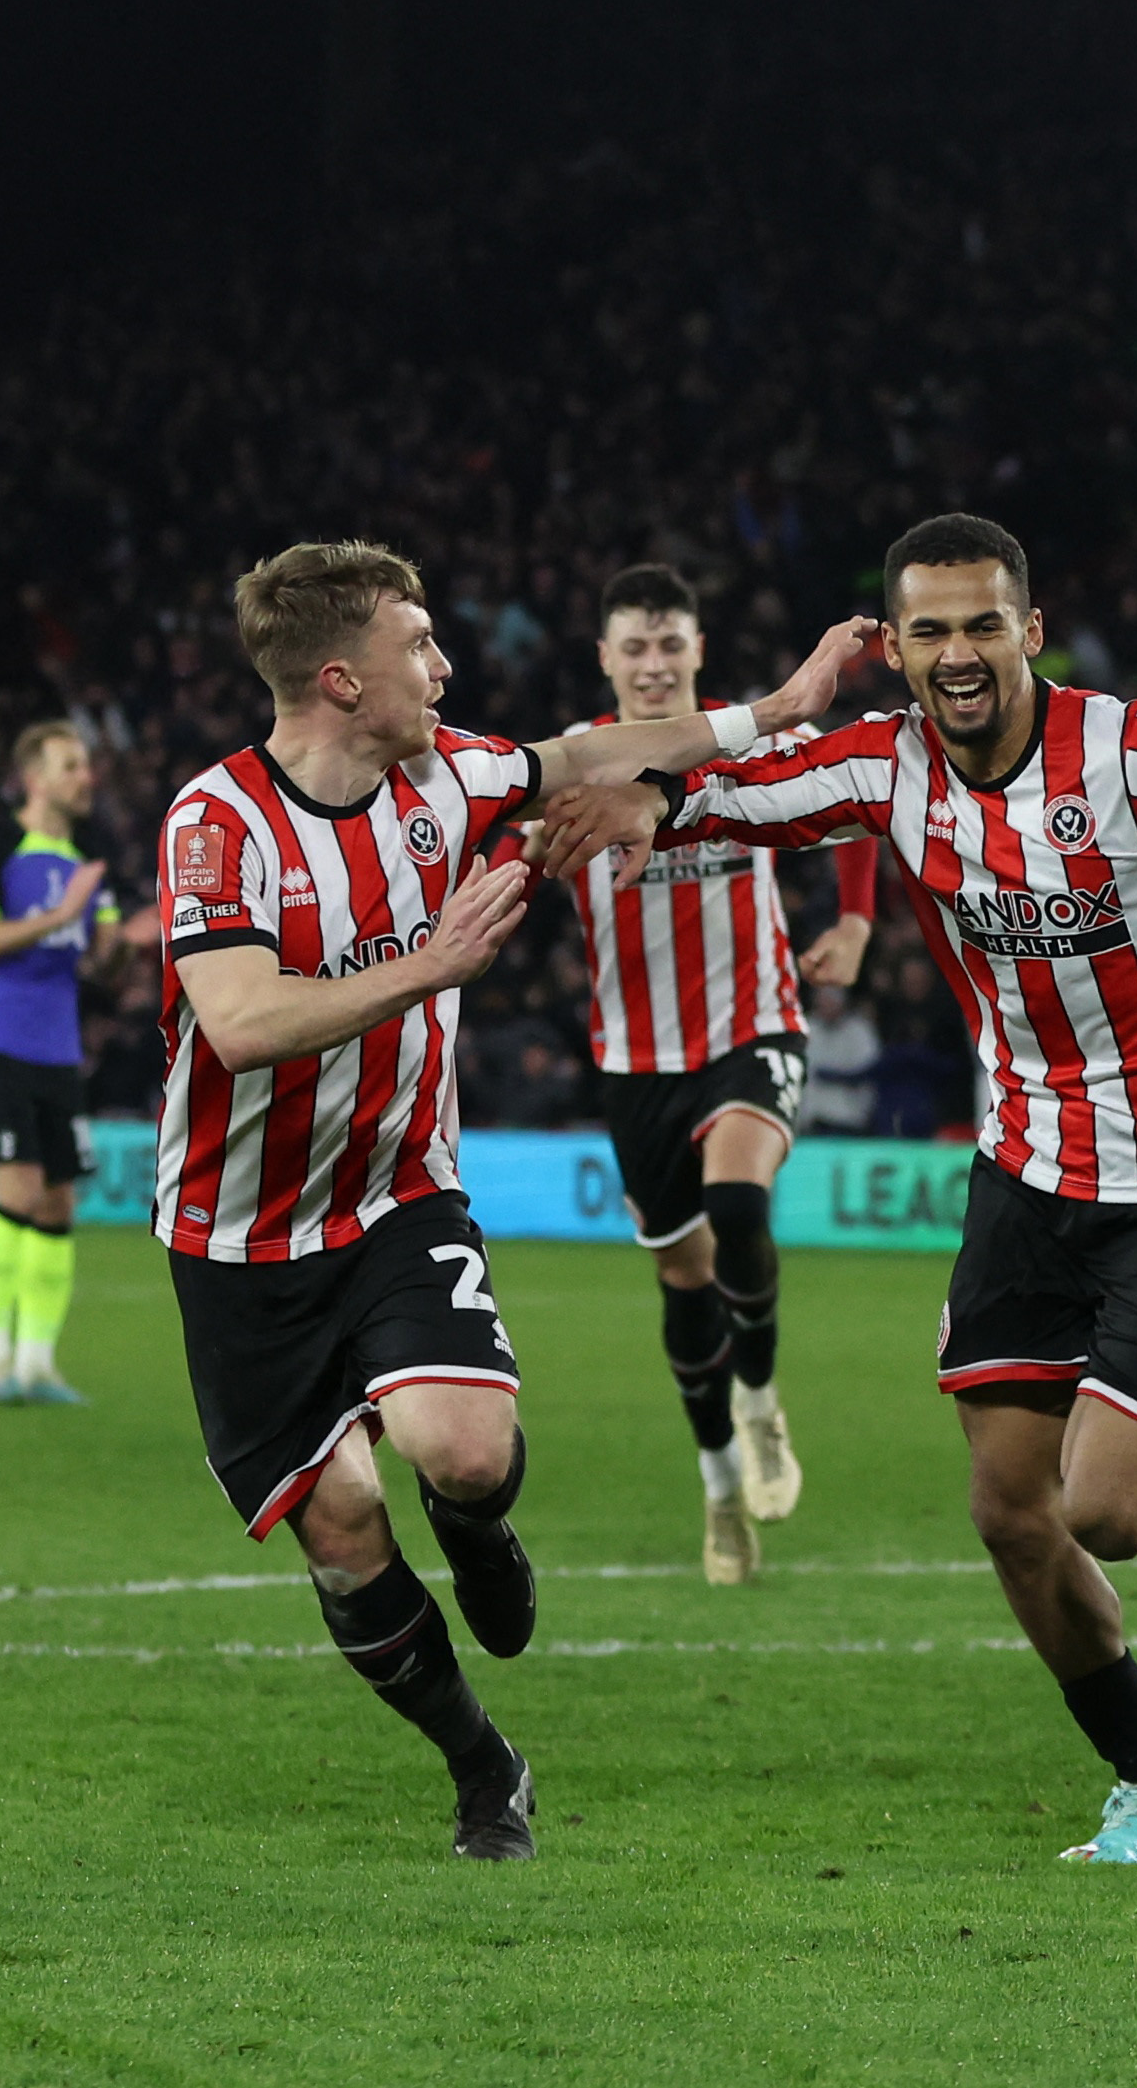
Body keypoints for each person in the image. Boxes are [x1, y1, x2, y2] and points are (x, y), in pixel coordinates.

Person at [527, 514, 1137, 1866]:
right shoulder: (886, 764)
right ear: (898, 648)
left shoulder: (1132, 748)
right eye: (928, 630)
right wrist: (653, 795)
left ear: (1030, 631)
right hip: (1026, 1169)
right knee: (1006, 1510)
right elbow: (745, 789)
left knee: (1102, 1510)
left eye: (984, 623)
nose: (958, 652)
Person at [155, 539, 867, 1860]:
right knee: (344, 1526)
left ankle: (480, 1530)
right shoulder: (218, 823)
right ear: (339, 678)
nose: (444, 664)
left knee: (464, 1454)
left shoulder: (447, 777)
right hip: (238, 1239)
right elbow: (243, 1024)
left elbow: (580, 755)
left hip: (398, 1193)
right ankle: (485, 1765)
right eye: (417, 645)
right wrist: (430, 966)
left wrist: (777, 709)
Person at [561, 565, 881, 1584]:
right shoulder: (573, 766)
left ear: (696, 652)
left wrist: (857, 919)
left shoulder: (749, 743)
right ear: (607, 660)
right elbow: (509, 853)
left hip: (754, 1024)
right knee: (681, 1273)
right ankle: (717, 1484)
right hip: (635, 1057)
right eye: (635, 648)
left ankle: (758, 1397)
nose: (654, 664)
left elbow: (854, 804)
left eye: (670, 645)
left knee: (737, 1196)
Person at [0, 720, 157, 1403]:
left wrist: (131, 937)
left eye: (85, 765)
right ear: (34, 778)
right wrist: (60, 912)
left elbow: (98, 965)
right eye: (70, 766)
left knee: (60, 1200)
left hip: (56, 1051)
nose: (84, 777)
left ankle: (38, 1365)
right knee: (17, 1192)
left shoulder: (87, 853)